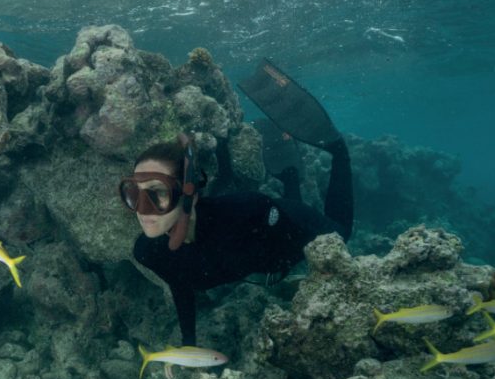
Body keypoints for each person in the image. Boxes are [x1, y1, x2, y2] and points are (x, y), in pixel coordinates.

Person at [120, 59, 355, 347]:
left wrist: (302, 256)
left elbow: (274, 219)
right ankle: (290, 176)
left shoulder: (242, 213)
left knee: (341, 234)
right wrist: (189, 344)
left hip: (289, 227)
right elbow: (180, 283)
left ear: (190, 193)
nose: (142, 208)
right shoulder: (148, 251)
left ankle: (338, 151)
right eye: (134, 193)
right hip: (266, 233)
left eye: (157, 193)